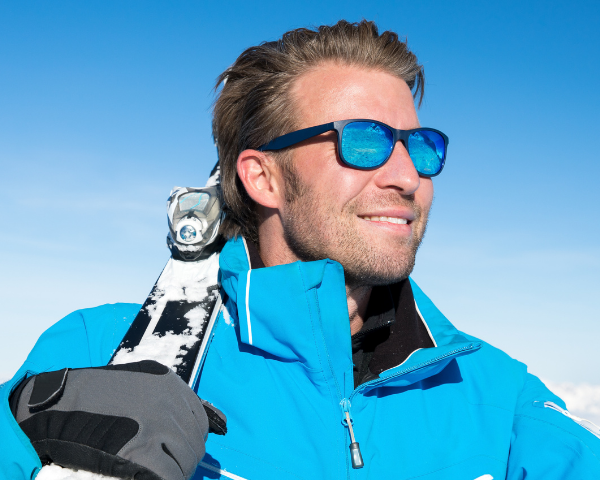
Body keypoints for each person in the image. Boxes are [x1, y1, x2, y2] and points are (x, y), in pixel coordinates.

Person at [2, 20, 600, 480]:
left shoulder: (498, 399)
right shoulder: (100, 354)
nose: (408, 177)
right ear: (264, 178)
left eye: (420, 146)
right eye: (365, 143)